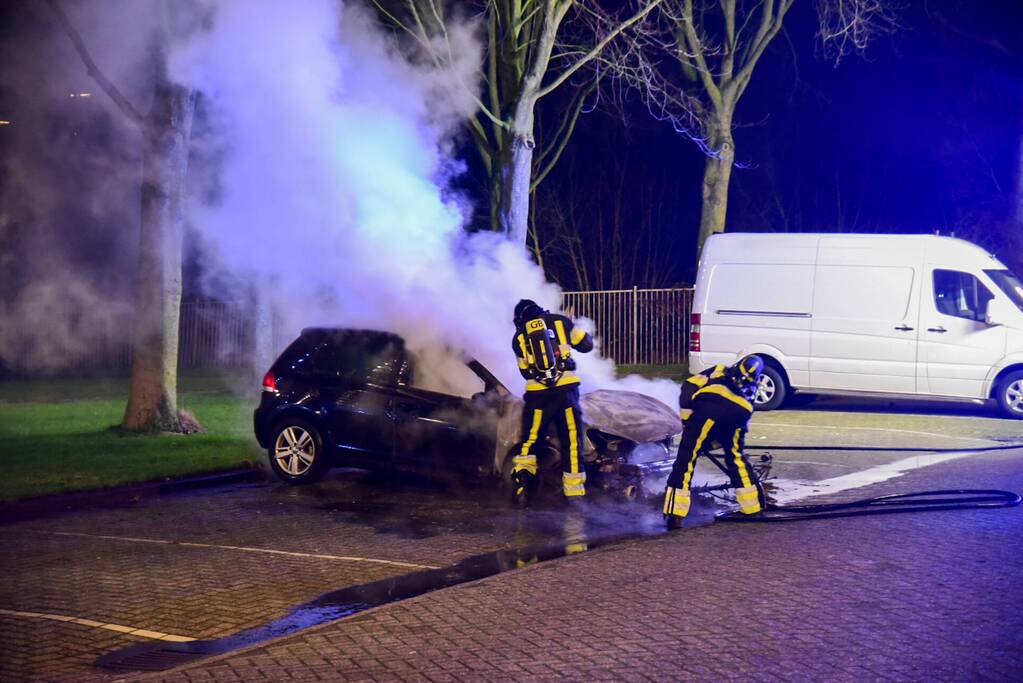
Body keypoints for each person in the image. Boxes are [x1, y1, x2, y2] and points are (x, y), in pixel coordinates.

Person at [663, 355, 765, 528]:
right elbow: (741, 419)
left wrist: (687, 420)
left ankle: (675, 514)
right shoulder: (754, 385)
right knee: (736, 457)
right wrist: (715, 441)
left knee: (686, 459)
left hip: (708, 407)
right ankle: (752, 507)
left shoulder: (719, 370)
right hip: (740, 412)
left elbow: (689, 387)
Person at [510, 298, 594, 506]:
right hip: (566, 392)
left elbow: (524, 372)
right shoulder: (560, 321)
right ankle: (574, 496)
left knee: (530, 441)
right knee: (572, 441)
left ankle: (522, 488)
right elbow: (586, 345)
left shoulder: (518, 338)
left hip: (537, 397)